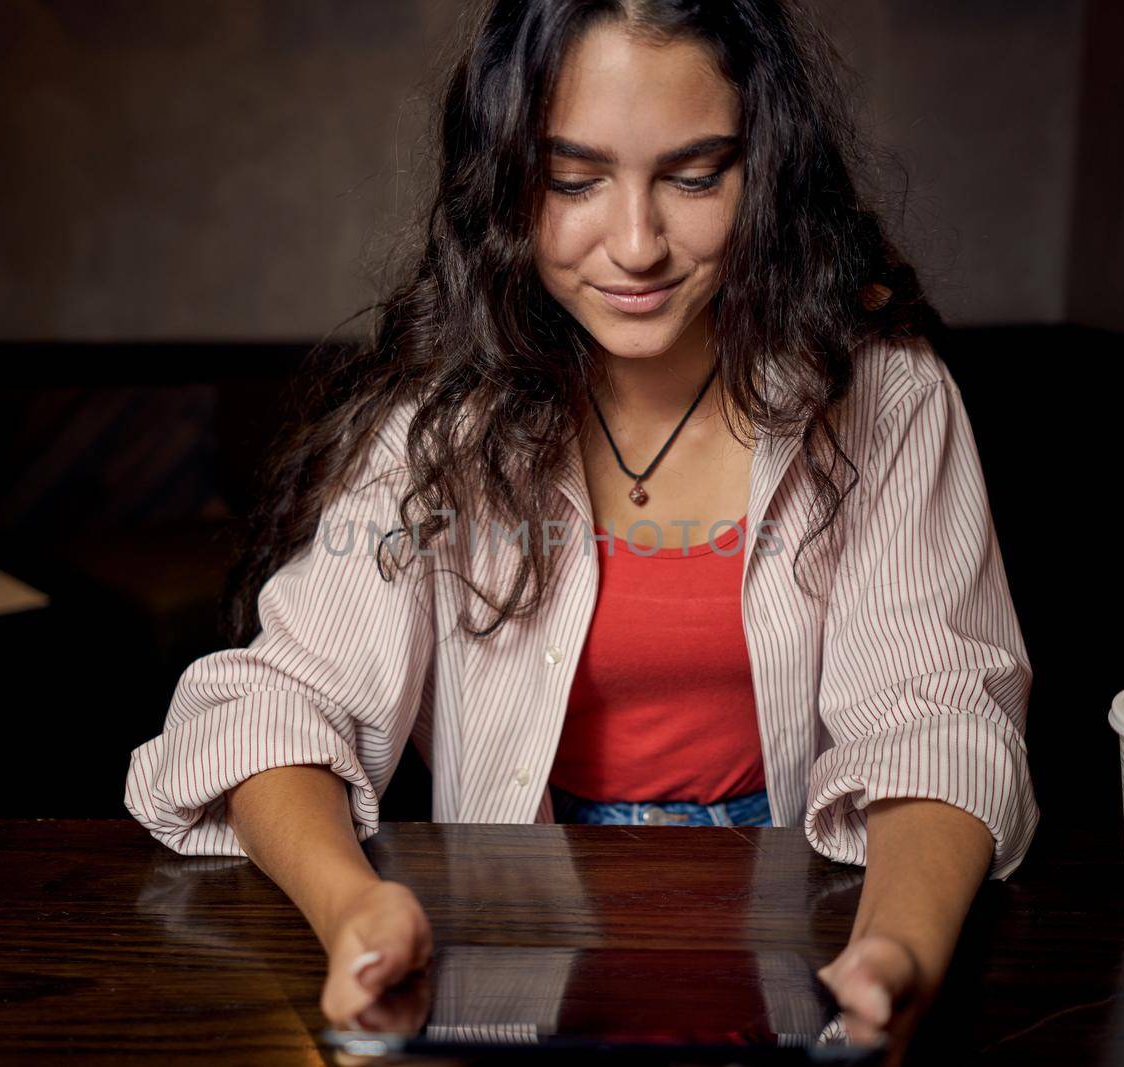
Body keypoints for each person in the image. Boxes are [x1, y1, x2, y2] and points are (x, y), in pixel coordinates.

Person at [124, 1, 1038, 1060]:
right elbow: (280, 706)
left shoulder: (885, 395)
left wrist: (894, 951)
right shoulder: (437, 416)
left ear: (768, 169)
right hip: (509, 955)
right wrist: (355, 911)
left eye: (695, 175)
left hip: (807, 943)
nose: (637, 244)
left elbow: (934, 717)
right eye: (573, 180)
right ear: (507, 182)